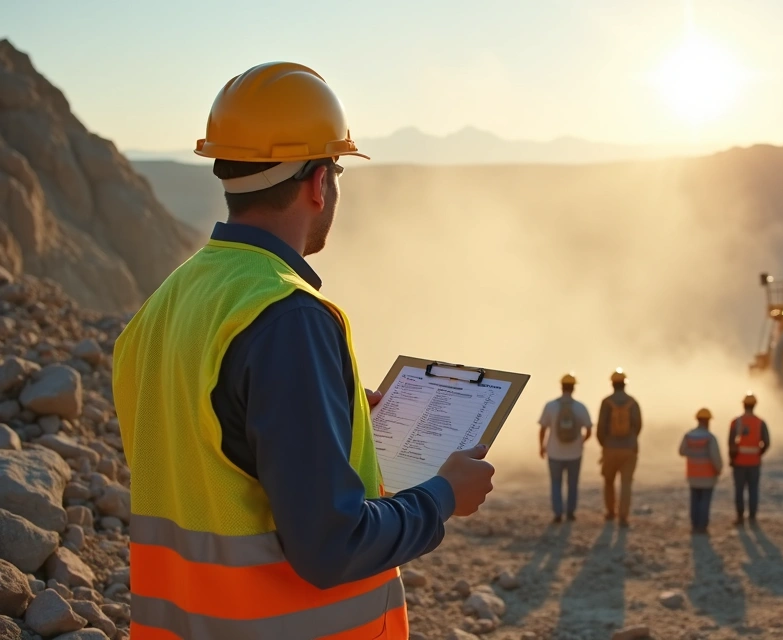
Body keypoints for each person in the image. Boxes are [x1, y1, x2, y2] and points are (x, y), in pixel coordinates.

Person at [110, 61, 495, 640]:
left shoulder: (166, 305)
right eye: (336, 170)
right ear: (319, 182)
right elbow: (331, 547)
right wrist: (444, 495)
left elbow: (217, 446)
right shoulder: (288, 318)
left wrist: (329, 414)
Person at [538, 373, 594, 523]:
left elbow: (543, 428)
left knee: (555, 483)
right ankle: (571, 513)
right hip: (575, 453)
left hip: (554, 452)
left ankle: (557, 513)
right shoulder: (580, 407)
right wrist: (582, 442)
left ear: (561, 387)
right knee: (573, 483)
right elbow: (589, 430)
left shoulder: (550, 406)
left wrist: (542, 446)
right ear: (574, 388)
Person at [597, 368, 642, 527]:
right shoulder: (633, 402)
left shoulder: (606, 402)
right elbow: (638, 426)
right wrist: (631, 440)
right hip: (629, 449)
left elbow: (601, 428)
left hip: (610, 448)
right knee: (626, 483)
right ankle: (623, 516)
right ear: (624, 384)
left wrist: (605, 445)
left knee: (609, 481)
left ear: (612, 384)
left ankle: (610, 512)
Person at [728, 392, 771, 526]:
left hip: (739, 463)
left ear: (743, 404)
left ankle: (740, 517)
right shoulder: (760, 422)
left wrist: (732, 458)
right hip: (754, 463)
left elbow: (730, 443)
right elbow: (767, 442)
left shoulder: (736, 422)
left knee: (739, 490)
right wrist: (758, 453)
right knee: (753, 490)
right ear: (755, 405)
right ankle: (752, 517)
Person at [679, 408, 724, 535]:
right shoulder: (710, 438)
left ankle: (694, 526)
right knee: (704, 502)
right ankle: (702, 527)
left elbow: (681, 451)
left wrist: (692, 453)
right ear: (708, 421)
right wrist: (719, 470)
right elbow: (715, 457)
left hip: (693, 475)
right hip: (707, 476)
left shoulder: (688, 436)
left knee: (694, 500)